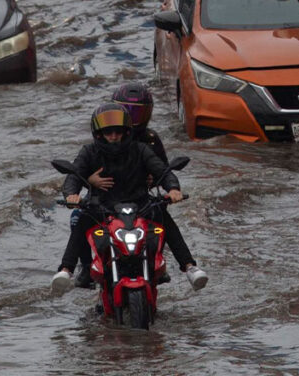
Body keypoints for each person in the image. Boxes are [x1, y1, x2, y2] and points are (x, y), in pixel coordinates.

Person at [52, 103, 207, 292]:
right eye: (108, 132)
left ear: (126, 132)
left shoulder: (141, 149)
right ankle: (66, 270)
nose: (114, 137)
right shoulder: (89, 152)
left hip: (141, 207)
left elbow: (162, 171)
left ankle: (190, 267)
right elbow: (74, 176)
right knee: (81, 219)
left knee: (163, 215)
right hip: (103, 209)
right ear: (99, 134)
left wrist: (173, 189)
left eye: (118, 132)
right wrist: (71, 195)